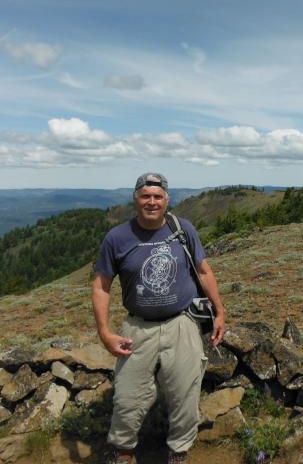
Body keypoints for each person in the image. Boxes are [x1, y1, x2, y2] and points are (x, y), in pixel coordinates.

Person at [92, 173, 226, 464]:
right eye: (145, 196)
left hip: (182, 323)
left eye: (157, 196)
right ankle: (123, 451)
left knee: (184, 394)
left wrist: (220, 311)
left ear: (167, 200)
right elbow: (101, 286)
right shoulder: (117, 238)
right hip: (137, 327)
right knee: (127, 396)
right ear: (135, 198)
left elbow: (204, 271)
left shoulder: (183, 229)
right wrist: (104, 332)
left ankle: (178, 452)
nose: (151, 202)